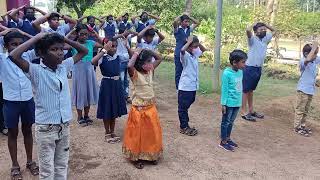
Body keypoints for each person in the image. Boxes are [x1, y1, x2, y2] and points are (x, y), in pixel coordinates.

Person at [9, 32, 88, 180]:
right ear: (41, 53)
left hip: (63, 126)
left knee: (62, 166)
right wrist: (37, 38)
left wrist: (63, 39)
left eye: (61, 49)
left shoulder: (64, 66)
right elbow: (14, 56)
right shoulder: (35, 70)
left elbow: (84, 51)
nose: (59, 53)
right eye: (54, 49)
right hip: (46, 129)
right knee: (46, 171)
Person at [0, 30, 38, 180]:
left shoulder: (28, 56)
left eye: (20, 44)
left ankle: (30, 161)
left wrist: (29, 36)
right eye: (13, 44)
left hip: (28, 99)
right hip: (11, 101)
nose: (17, 47)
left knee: (28, 130)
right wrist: (5, 31)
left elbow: (40, 44)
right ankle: (15, 165)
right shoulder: (2, 59)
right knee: (12, 133)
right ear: (6, 45)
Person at [123, 48, 163, 169]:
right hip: (138, 110)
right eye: (148, 62)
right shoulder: (135, 74)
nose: (151, 64)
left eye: (151, 62)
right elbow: (130, 64)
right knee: (137, 135)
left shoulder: (150, 71)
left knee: (151, 134)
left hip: (151, 109)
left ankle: (150, 155)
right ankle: (135, 158)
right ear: (141, 64)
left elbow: (160, 58)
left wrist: (148, 50)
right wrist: (136, 53)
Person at [91, 40, 127, 144]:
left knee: (114, 108)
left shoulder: (118, 57)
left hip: (116, 85)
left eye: (115, 46)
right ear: (106, 46)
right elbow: (93, 61)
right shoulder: (103, 57)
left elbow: (131, 55)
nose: (114, 48)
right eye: (111, 46)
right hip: (107, 85)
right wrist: (103, 50)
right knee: (107, 108)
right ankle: (107, 132)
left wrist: (126, 46)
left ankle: (112, 131)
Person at [67, 24, 102, 126]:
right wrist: (71, 31)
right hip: (78, 71)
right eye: (81, 34)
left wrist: (95, 33)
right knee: (80, 93)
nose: (84, 36)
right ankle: (79, 116)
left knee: (88, 92)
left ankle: (86, 115)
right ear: (77, 34)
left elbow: (104, 44)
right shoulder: (73, 44)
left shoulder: (91, 43)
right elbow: (63, 41)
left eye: (86, 34)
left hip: (89, 70)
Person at [241, 22, 275, 121]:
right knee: (245, 90)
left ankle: (251, 110)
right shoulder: (252, 40)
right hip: (249, 68)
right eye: (261, 29)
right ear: (255, 32)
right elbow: (248, 30)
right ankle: (243, 112)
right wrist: (255, 24)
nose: (264, 30)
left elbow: (275, 30)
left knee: (251, 90)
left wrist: (265, 25)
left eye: (264, 29)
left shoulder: (265, 39)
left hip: (258, 68)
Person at [178, 35, 206, 136]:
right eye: (193, 46)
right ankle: (183, 126)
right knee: (182, 108)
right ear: (189, 46)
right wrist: (189, 42)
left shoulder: (194, 54)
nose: (196, 48)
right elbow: (181, 50)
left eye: (196, 46)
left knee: (189, 103)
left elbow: (204, 49)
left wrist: (197, 43)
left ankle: (185, 124)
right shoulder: (185, 55)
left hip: (193, 85)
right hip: (185, 86)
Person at [219, 50, 247, 152]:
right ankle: (223, 142)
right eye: (243, 62)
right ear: (235, 62)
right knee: (225, 122)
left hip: (237, 103)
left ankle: (228, 138)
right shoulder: (227, 73)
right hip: (229, 103)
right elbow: (224, 90)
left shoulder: (240, 72)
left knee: (231, 122)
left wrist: (240, 102)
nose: (244, 64)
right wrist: (223, 104)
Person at [294, 42, 320, 137]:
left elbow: (314, 57)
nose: (316, 56)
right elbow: (308, 59)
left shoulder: (314, 60)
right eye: (315, 54)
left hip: (310, 90)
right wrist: (314, 47)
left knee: (306, 110)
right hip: (303, 90)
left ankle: (302, 125)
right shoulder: (303, 61)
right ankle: (297, 127)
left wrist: (315, 48)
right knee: (300, 109)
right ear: (306, 54)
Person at [173, 13, 200, 90]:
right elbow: (174, 22)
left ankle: (184, 86)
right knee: (179, 70)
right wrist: (181, 15)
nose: (187, 23)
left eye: (188, 21)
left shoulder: (189, 29)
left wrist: (190, 17)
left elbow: (197, 23)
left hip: (187, 53)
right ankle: (178, 87)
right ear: (181, 22)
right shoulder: (177, 29)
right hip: (179, 52)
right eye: (185, 21)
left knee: (186, 70)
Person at [112, 28, 137, 103]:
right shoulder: (118, 38)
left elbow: (137, 34)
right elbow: (113, 38)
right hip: (120, 62)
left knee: (127, 80)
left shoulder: (127, 38)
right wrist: (123, 34)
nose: (128, 32)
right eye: (127, 30)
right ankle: (120, 97)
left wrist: (130, 32)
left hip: (127, 62)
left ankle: (126, 96)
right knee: (121, 80)